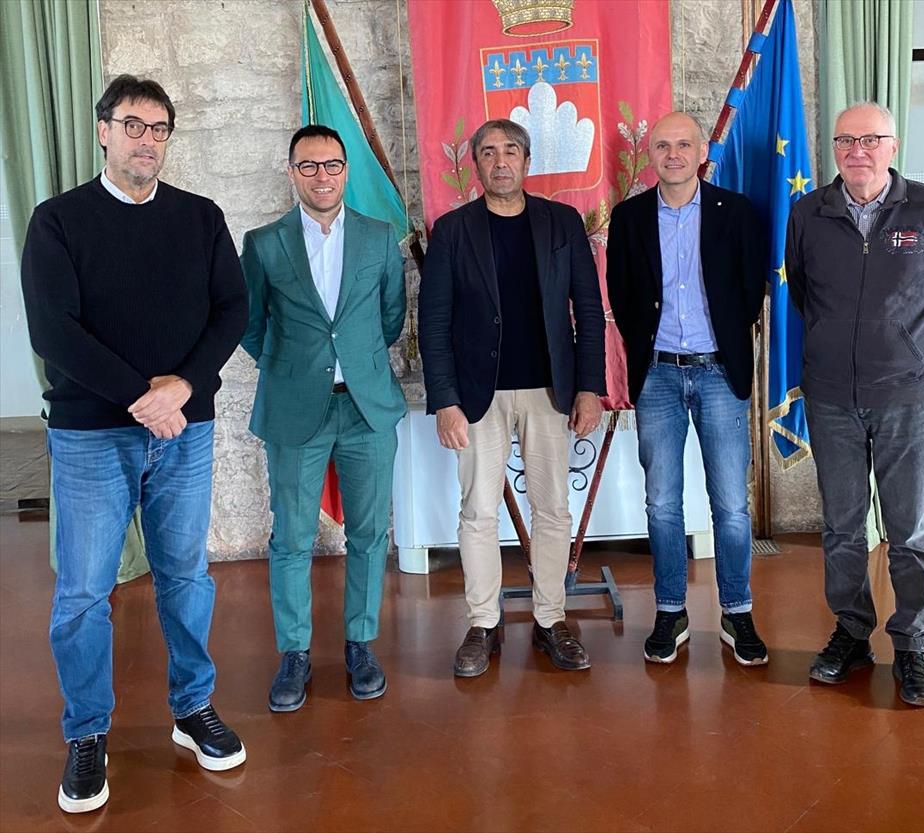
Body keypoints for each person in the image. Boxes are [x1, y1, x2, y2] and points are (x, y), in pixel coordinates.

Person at [20, 74, 249, 814]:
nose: (146, 139)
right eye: (132, 124)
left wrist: (183, 386)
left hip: (186, 429)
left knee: (186, 575)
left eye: (159, 128)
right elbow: (54, 331)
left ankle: (193, 706)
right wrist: (141, 398)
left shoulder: (200, 217)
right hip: (91, 435)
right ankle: (87, 732)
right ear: (103, 131)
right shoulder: (57, 221)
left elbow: (232, 309)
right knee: (85, 592)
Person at [785, 101, 924, 707]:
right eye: (845, 140)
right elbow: (803, 292)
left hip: (906, 397)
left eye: (869, 140)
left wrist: (911, 349)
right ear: (834, 149)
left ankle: (912, 645)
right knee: (841, 527)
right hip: (831, 395)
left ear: (893, 147)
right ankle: (852, 632)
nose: (856, 151)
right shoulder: (808, 212)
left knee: (908, 528)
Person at [418, 119, 606, 677]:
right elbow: (434, 322)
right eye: (488, 152)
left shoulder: (562, 223)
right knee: (478, 510)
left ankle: (551, 619)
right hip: (478, 396)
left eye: (510, 151)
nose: (500, 161)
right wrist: (445, 400)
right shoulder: (453, 230)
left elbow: (588, 310)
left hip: (551, 390)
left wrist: (590, 388)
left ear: (527, 161)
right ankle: (483, 623)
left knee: (552, 509)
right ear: (475, 163)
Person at [240, 125, 406, 710]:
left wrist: (353, 363)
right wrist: (293, 369)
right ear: (292, 172)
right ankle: (295, 653)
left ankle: (361, 644)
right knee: (291, 537)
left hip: (366, 407)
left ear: (346, 170)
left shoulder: (379, 238)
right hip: (294, 410)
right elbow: (251, 325)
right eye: (308, 166)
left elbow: (390, 317)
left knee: (369, 533)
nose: (322, 175)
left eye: (331, 164)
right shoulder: (264, 244)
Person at [606, 111, 769, 666]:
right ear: (649, 155)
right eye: (662, 146)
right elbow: (622, 293)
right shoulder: (629, 218)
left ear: (702, 152)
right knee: (662, 504)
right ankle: (670, 610)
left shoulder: (736, 212)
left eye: (683, 144)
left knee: (731, 504)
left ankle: (737, 611)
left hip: (719, 373)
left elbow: (750, 290)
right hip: (657, 376)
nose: (672, 154)